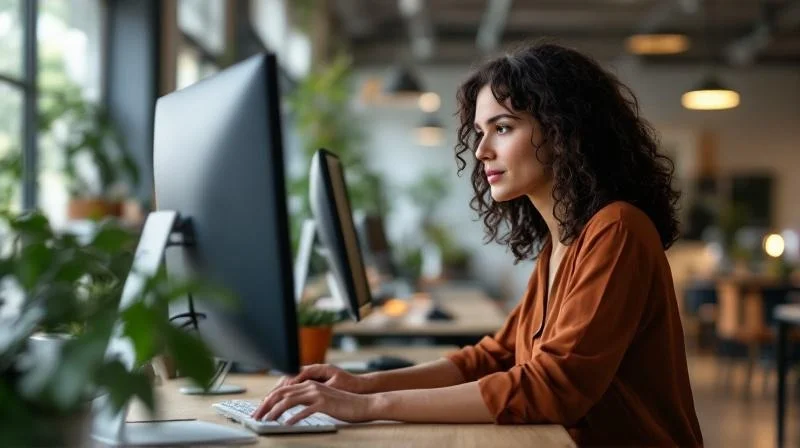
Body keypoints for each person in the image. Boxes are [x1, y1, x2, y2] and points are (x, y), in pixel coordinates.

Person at [253, 41, 703, 446]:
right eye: (480, 132)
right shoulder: (560, 247)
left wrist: (369, 409)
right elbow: (492, 358)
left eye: (503, 128)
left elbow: (553, 388)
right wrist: (361, 386)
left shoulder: (618, 230)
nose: (482, 150)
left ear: (565, 131)